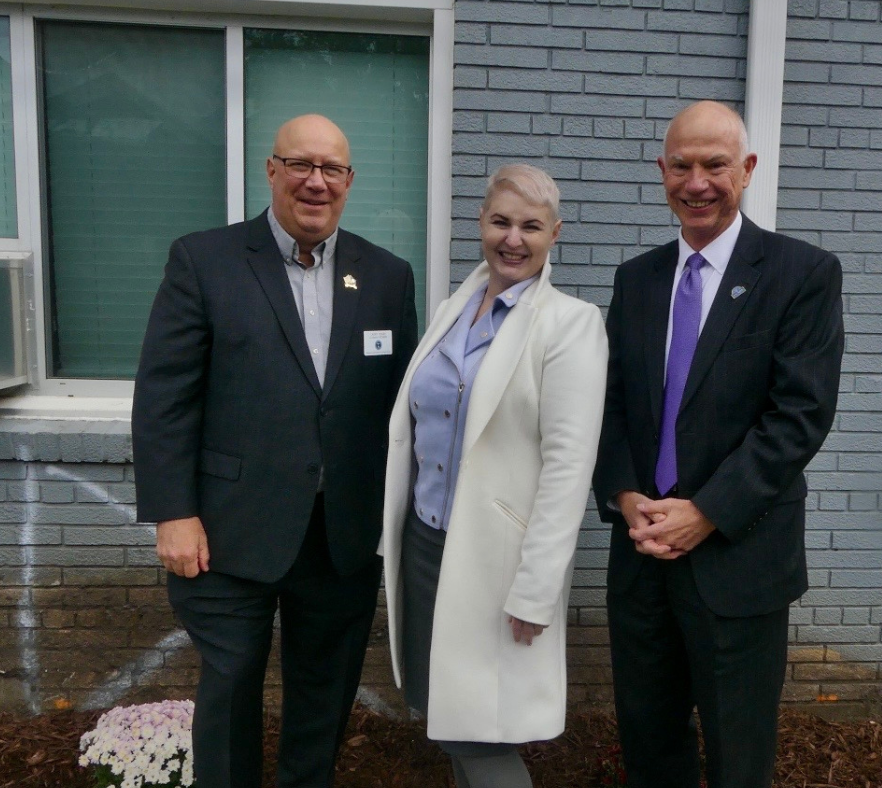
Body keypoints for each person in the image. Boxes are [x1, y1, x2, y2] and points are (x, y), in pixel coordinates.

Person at [132, 114, 418, 788]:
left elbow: (402, 405)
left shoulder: (386, 276)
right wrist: (172, 511)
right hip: (228, 530)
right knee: (231, 690)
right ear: (271, 170)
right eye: (300, 164)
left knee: (323, 700)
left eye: (332, 170)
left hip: (342, 536)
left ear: (350, 182)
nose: (315, 182)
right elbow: (165, 394)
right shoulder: (204, 260)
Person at [594, 100, 844, 788]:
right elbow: (609, 404)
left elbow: (800, 415)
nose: (697, 182)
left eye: (715, 165)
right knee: (650, 746)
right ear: (662, 172)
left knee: (738, 757)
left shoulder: (803, 274)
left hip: (739, 561)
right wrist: (622, 495)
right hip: (641, 556)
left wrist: (704, 511)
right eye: (682, 165)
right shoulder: (636, 279)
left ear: (748, 170)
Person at [381, 164, 608, 788]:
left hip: (497, 564)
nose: (513, 238)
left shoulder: (569, 324)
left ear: (554, 234)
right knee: (444, 712)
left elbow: (568, 467)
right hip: (425, 546)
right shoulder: (454, 308)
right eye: (501, 221)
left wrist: (536, 590)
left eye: (530, 226)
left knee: (478, 732)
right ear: (480, 224)